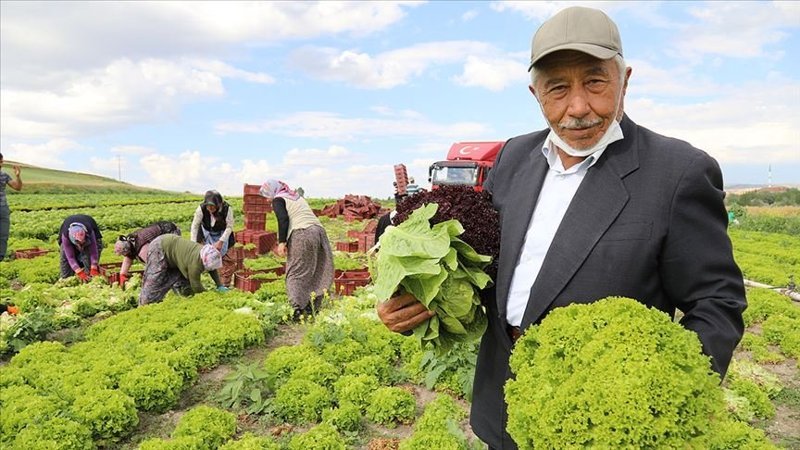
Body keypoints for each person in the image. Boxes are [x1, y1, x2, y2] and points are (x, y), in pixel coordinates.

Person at [376, 7, 746, 450]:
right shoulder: (512, 158)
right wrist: (416, 297)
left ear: (624, 78)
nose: (578, 107)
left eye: (595, 81)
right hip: (501, 403)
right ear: (535, 93)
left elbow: (716, 303)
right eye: (557, 87)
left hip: (604, 428)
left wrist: (646, 399)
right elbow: (482, 268)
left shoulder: (678, 172)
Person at [259, 179, 334, 319]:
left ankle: (296, 308)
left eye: (267, 195)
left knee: (296, 271)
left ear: (272, 191)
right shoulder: (295, 196)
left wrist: (282, 242)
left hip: (302, 233)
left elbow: (283, 219)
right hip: (318, 231)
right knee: (316, 268)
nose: (268, 199)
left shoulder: (278, 199)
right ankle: (312, 306)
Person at [138, 234, 222, 306]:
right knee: (154, 281)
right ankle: (144, 305)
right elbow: (196, 285)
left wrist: (220, 285)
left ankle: (185, 303)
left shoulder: (206, 253)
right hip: (160, 247)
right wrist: (208, 297)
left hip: (174, 252)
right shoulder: (195, 265)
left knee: (184, 287)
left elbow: (212, 268)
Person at [113, 221, 181, 288]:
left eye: (122, 254)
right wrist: (122, 274)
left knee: (169, 260)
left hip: (170, 231)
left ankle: (177, 281)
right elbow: (128, 259)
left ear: (126, 250)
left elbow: (155, 265)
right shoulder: (129, 242)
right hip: (161, 229)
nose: (123, 255)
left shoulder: (143, 250)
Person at [190, 190, 234, 291]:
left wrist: (221, 241)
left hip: (223, 233)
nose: (210, 208)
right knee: (207, 256)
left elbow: (229, 227)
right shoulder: (201, 209)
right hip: (207, 232)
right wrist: (192, 244)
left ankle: (224, 285)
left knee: (227, 259)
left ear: (218, 204)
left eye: (213, 206)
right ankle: (209, 280)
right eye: (208, 206)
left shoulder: (227, 209)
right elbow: (195, 226)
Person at [58, 214, 103, 281]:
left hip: (89, 235)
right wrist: (79, 272)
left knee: (89, 264)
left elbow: (93, 252)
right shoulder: (66, 236)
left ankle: (89, 280)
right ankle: (66, 281)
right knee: (65, 265)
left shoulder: (89, 231)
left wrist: (93, 267)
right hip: (68, 237)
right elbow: (70, 257)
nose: (80, 245)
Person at [0, 153, 23, 261]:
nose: (1, 163)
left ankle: (1, 257)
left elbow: (17, 187)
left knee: (3, 234)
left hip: (3, 208)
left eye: (1, 161)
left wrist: (18, 176)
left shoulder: (4, 175)